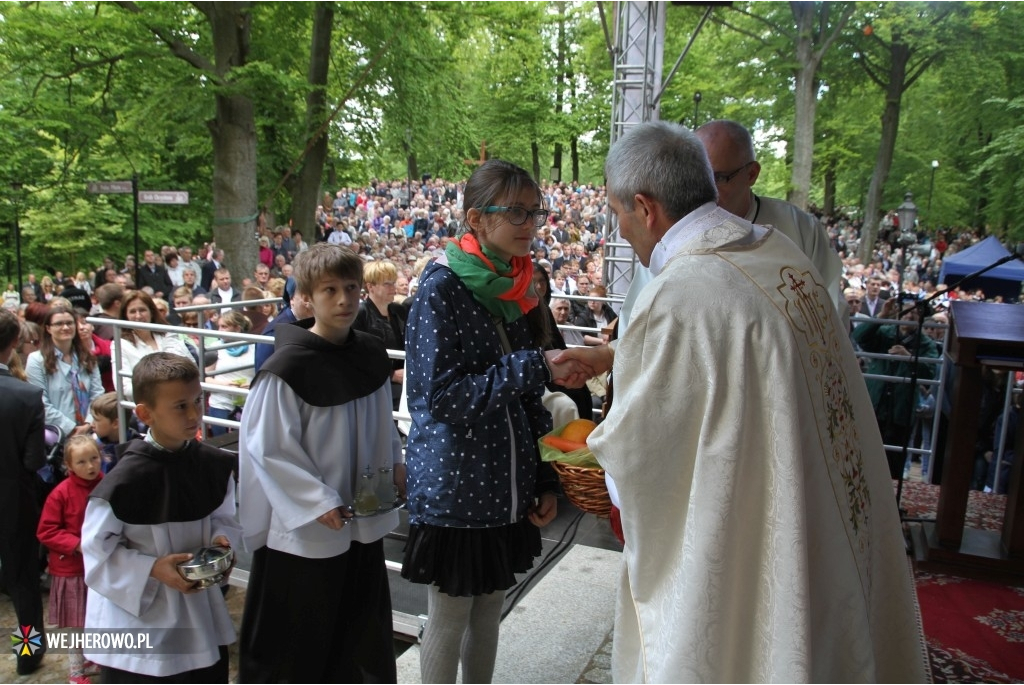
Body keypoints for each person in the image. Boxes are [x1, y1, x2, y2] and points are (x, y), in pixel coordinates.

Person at [557, 121, 925, 682]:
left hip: (748, 527)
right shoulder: (779, 254)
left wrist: (593, 456)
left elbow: (644, 456)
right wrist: (619, 358)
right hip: (817, 503)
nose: (622, 230)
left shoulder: (683, 293)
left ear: (645, 207)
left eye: (618, 215)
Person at [401, 159, 574, 684]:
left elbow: (525, 400)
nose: (530, 223)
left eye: (534, 211)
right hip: (457, 488)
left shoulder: (515, 287)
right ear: (476, 219)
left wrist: (543, 477)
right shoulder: (440, 289)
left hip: (505, 486)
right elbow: (441, 398)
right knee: (450, 617)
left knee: (488, 611)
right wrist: (532, 365)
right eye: (516, 211)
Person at [237, 243, 404, 682]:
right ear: (308, 298)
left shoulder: (369, 354)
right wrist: (317, 500)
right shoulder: (287, 369)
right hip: (309, 528)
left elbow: (380, 423)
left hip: (362, 513)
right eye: (330, 290)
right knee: (302, 640)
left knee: (358, 631)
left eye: (351, 288)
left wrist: (396, 464)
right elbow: (269, 447)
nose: (345, 299)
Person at [82, 353, 239, 681]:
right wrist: (151, 568)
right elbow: (97, 551)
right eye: (180, 406)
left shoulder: (212, 465)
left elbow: (224, 516)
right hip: (141, 621)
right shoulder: (124, 481)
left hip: (198, 612)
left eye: (198, 400)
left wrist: (221, 542)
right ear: (144, 413)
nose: (195, 413)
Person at [695, 119, 843, 311]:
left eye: (718, 178)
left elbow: (831, 311)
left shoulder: (800, 229)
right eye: (697, 178)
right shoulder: (673, 233)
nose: (705, 191)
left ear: (751, 174)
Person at [0, 309, 48, 677]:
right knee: (23, 585)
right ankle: (28, 654)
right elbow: (33, 460)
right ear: (15, 342)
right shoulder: (27, 396)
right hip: (13, 499)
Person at [36, 435, 105, 685]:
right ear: (69, 465)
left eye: (94, 459)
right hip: (71, 569)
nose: (90, 466)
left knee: (98, 618)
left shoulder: (107, 485)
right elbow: (46, 531)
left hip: (100, 567)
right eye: (82, 462)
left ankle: (94, 655)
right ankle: (76, 671)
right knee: (76, 625)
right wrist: (76, 545)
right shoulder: (60, 494)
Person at [852, 296, 939, 479]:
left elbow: (929, 373)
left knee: (894, 460)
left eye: (915, 313)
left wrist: (908, 357)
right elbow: (859, 337)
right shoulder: (884, 333)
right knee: (866, 453)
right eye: (907, 312)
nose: (910, 316)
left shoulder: (925, 344)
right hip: (876, 403)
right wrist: (882, 315)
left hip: (901, 409)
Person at [26, 306, 104, 439]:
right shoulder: (36, 360)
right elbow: (41, 403)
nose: (66, 327)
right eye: (59, 324)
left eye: (69, 323)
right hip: (57, 435)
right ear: (48, 328)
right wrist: (71, 429)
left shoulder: (88, 357)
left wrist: (88, 424)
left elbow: (97, 394)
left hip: (89, 432)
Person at [113, 290, 195, 401]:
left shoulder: (167, 334)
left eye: (142, 310)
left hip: (180, 400)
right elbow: (124, 387)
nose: (138, 316)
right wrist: (162, 391)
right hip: (147, 408)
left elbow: (190, 366)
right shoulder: (120, 344)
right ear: (125, 316)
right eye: (132, 311)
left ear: (151, 312)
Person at [352, 260, 408, 412]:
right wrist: (391, 375)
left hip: (404, 378)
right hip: (376, 382)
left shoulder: (399, 311)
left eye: (393, 283)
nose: (393, 288)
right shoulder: (360, 314)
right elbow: (356, 355)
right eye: (387, 284)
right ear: (370, 287)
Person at [204, 310, 254, 437]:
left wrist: (252, 384)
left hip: (248, 404)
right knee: (222, 445)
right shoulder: (214, 348)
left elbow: (262, 374)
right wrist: (225, 384)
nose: (219, 330)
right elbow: (205, 378)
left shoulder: (254, 346)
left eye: (224, 326)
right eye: (219, 326)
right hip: (221, 404)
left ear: (237, 328)